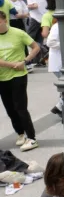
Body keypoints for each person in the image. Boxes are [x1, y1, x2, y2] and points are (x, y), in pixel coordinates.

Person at [0, 8, 41, 151]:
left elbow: (36, 47)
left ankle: (32, 137)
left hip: (19, 76)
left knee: (20, 107)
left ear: (5, 20)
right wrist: (12, 64)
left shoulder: (18, 33)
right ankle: (20, 133)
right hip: (2, 77)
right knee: (10, 109)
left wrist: (25, 60)